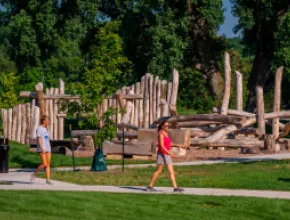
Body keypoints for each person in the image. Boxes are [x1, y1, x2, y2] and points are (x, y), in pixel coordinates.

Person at [147, 121, 184, 192]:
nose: (167, 127)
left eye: (168, 125)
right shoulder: (160, 134)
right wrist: (170, 153)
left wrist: (177, 145)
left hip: (167, 154)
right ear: (162, 126)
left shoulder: (166, 133)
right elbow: (162, 146)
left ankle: (175, 188)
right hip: (161, 154)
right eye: (166, 126)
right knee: (159, 171)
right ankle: (150, 186)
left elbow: (168, 143)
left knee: (171, 171)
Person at [30, 115, 53, 185]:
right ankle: (34, 174)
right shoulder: (39, 129)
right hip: (42, 149)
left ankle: (48, 180)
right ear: (43, 121)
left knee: (48, 164)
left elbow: (47, 139)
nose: (48, 121)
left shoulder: (46, 129)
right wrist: (42, 148)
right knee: (44, 164)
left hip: (48, 148)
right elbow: (39, 139)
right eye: (47, 120)